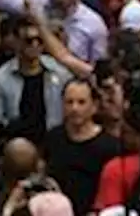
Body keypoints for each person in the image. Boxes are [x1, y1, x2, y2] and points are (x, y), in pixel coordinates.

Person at [42, 79, 123, 212]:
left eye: (81, 102)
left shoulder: (110, 146)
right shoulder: (53, 137)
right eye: (69, 102)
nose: (75, 108)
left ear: (94, 106)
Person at [0, 19, 71, 142]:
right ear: (16, 42)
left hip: (55, 142)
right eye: (29, 41)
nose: (35, 45)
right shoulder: (0, 78)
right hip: (17, 143)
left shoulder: (60, 73)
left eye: (40, 40)